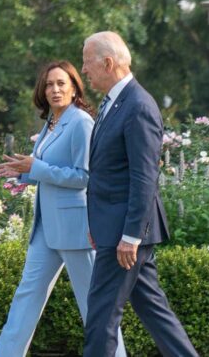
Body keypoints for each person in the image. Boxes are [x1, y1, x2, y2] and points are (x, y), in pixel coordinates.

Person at [0, 61, 124, 357]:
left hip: (77, 230)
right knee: (25, 300)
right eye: (49, 84)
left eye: (61, 83)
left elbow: (85, 177)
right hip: (46, 231)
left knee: (95, 309)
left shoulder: (81, 122)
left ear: (75, 87)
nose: (55, 89)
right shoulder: (51, 122)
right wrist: (21, 172)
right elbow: (48, 169)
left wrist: (35, 167)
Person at [79, 31, 197, 356]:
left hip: (126, 236)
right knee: (155, 312)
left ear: (107, 62)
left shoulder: (138, 105)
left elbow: (144, 177)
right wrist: (97, 224)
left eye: (87, 63)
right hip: (115, 229)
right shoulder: (116, 102)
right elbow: (108, 171)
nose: (84, 70)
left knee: (101, 318)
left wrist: (131, 236)